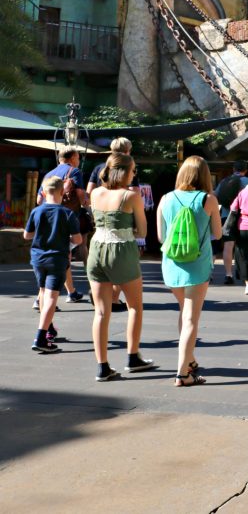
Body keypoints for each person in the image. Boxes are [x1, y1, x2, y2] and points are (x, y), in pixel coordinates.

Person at [88, 153, 153, 380]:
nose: (135, 174)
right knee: (134, 306)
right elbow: (143, 232)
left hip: (96, 249)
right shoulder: (131, 196)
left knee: (101, 311)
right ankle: (133, 356)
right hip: (121, 250)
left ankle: (102, 367)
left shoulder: (95, 193)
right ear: (124, 171)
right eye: (133, 170)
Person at [158, 156, 222, 387]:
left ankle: (190, 360)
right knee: (191, 319)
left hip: (172, 265)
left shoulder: (166, 198)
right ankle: (182, 373)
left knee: (184, 312)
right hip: (197, 265)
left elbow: (160, 237)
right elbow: (218, 233)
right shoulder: (209, 200)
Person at [24, 176, 82, 354]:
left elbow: (27, 235)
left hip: (38, 258)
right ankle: (41, 337)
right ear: (62, 192)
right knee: (51, 297)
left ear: (42, 192)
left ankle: (48, 328)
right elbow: (78, 239)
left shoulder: (36, 211)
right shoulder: (67, 213)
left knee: (42, 292)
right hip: (57, 258)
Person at [86, 138, 138, 310]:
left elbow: (89, 191)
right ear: (128, 150)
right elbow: (136, 192)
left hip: (98, 238)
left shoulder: (99, 169)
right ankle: (114, 299)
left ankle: (107, 298)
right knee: (135, 308)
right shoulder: (128, 168)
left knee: (100, 313)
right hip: (122, 237)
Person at [36, 146, 89, 305]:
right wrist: (87, 204)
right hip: (65, 219)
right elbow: (80, 195)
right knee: (61, 258)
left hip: (47, 219)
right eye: (78, 158)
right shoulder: (74, 172)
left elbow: (39, 200)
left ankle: (71, 292)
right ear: (72, 157)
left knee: (63, 256)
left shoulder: (48, 175)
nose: (78, 161)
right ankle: (40, 299)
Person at [214, 161, 248, 285]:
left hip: (226, 216)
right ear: (245, 170)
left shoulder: (224, 181)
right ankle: (243, 273)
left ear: (234, 168)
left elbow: (215, 195)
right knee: (244, 246)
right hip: (243, 217)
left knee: (228, 246)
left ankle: (228, 274)